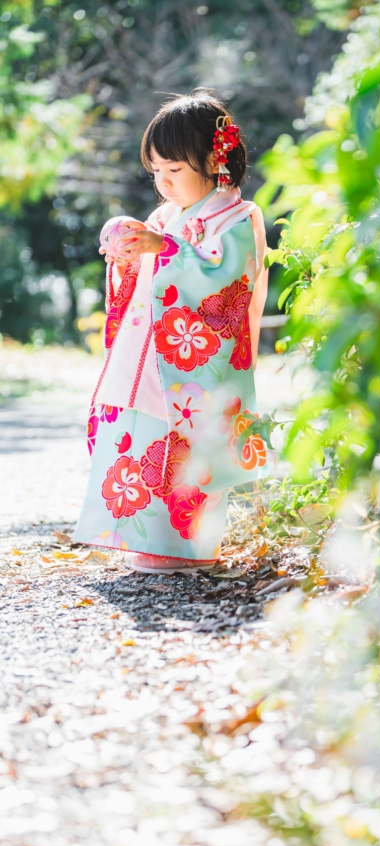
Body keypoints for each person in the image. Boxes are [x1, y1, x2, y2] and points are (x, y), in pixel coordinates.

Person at [73, 89, 269, 574]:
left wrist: (166, 249)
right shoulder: (165, 216)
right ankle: (142, 539)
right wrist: (126, 257)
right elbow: (146, 274)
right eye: (156, 171)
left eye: (174, 170)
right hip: (148, 355)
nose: (163, 182)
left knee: (188, 444)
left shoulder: (238, 217)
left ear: (212, 157)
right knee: (140, 440)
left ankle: (189, 549)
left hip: (191, 360)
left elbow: (227, 280)